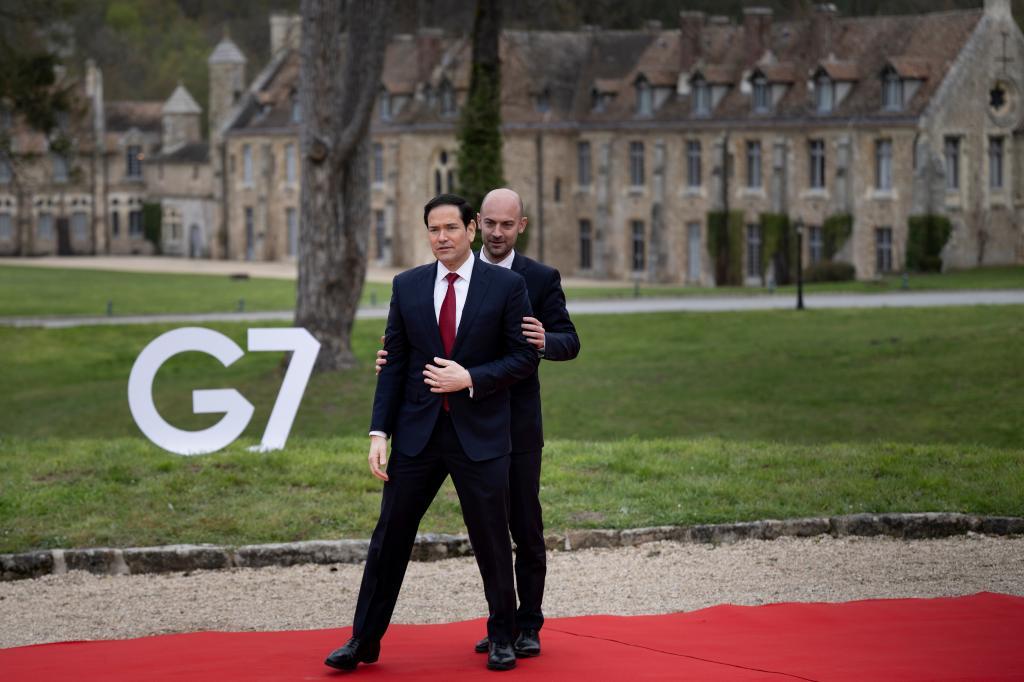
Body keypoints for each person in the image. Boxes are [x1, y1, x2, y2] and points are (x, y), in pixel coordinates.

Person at [325, 193, 539, 673]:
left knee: (490, 538)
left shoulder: (507, 288)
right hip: (417, 437)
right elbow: (394, 363)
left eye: (450, 228)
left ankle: (502, 635)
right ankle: (363, 641)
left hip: (481, 434)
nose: (441, 237)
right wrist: (379, 431)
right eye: (433, 230)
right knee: (389, 538)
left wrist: (471, 378)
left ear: (472, 229)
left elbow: (524, 358)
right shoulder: (408, 286)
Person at [376, 187, 580, 659]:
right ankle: (501, 625)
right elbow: (426, 336)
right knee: (483, 528)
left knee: (523, 525)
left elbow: (570, 340)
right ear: (478, 225)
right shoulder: (438, 278)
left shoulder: (538, 278)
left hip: (516, 422)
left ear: (520, 227)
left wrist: (545, 339)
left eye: (507, 225)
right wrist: (396, 358)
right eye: (490, 223)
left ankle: (526, 624)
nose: (497, 232)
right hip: (458, 419)